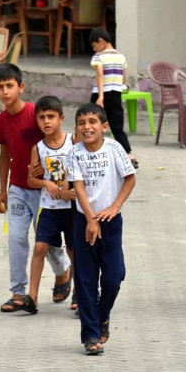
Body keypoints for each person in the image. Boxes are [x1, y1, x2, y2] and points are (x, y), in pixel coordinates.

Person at [0, 64, 71, 314]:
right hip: (17, 187)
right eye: (0, 87)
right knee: (16, 238)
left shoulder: (35, 114)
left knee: (46, 243)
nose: (5, 91)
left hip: (46, 192)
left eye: (10, 86)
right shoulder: (0, 121)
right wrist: (2, 189)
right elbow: (4, 154)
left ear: (20, 87)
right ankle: (18, 292)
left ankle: (63, 272)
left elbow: (55, 142)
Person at [68, 103, 136, 355]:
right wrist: (90, 219)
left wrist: (115, 207)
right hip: (84, 221)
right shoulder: (74, 153)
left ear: (104, 126)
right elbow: (78, 187)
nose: (87, 127)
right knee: (85, 280)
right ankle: (91, 335)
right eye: (82, 123)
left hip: (111, 222)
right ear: (76, 129)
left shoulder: (114, 148)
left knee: (114, 276)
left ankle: (102, 314)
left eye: (92, 122)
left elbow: (130, 178)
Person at [26, 96, 77, 313]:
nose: (46, 122)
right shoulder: (38, 148)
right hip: (48, 208)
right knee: (40, 247)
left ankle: (79, 294)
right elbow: (31, 180)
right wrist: (46, 182)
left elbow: (79, 169)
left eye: (51, 117)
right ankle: (32, 296)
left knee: (75, 251)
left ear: (61, 118)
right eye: (42, 118)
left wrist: (68, 187)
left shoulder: (73, 142)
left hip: (72, 208)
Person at [88, 27, 137, 168]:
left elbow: (100, 75)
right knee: (117, 126)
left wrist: (101, 96)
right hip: (116, 94)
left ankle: (90, 152)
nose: (94, 49)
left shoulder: (99, 57)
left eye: (94, 46)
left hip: (100, 94)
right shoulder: (121, 57)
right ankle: (129, 155)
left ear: (100, 41)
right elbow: (123, 79)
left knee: (92, 123)